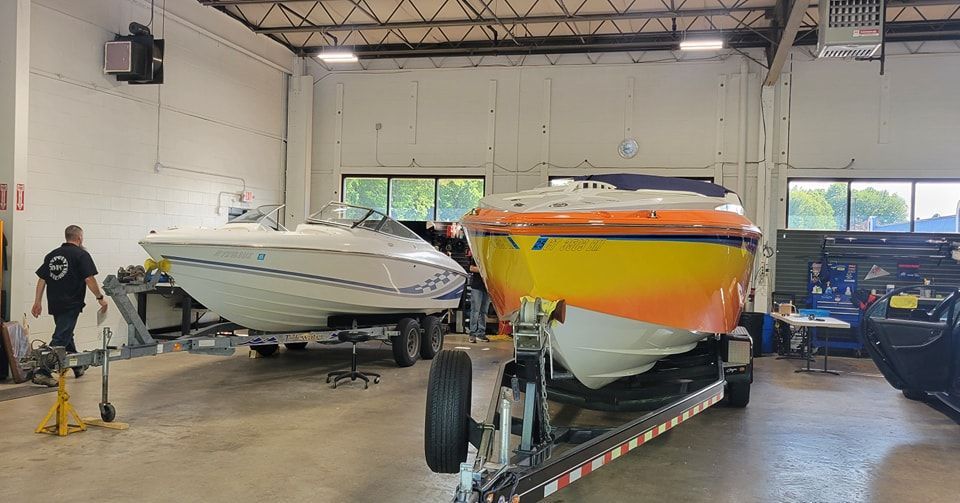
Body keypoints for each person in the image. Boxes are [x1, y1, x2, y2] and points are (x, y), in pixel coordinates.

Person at [30, 225, 108, 387]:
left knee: (66, 334)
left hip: (55, 302)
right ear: (79, 238)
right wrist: (100, 297)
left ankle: (77, 366)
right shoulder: (81, 255)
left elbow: (42, 279)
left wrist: (37, 301)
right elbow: (89, 279)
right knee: (60, 338)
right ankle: (43, 372)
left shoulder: (52, 255)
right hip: (71, 302)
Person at [468, 253, 490, 343]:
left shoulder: (490, 257)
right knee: (475, 310)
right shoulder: (477, 255)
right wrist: (484, 270)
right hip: (477, 287)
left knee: (484, 311)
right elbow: (471, 268)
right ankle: (472, 333)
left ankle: (481, 333)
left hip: (488, 287)